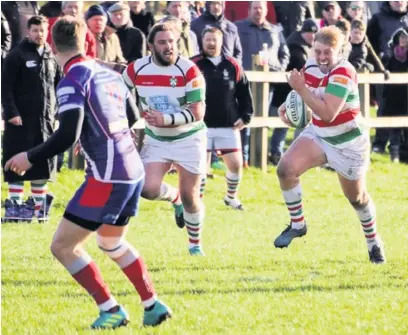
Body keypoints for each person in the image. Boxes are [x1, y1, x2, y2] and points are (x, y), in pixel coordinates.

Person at [4, 16, 172, 329]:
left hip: (107, 177)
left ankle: (110, 309)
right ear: (85, 42)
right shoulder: (106, 73)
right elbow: (132, 115)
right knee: (110, 242)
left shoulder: (72, 79)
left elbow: (67, 134)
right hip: (131, 169)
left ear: (53, 46)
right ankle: (152, 303)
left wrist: (30, 156)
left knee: (62, 246)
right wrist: (96, 134)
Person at [273, 26, 386, 264]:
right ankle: (298, 224)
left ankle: (373, 242)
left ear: (340, 50)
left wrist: (300, 89)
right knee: (286, 170)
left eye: (327, 53)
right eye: (318, 51)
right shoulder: (312, 64)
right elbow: (303, 96)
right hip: (319, 134)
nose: (322, 57)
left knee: (357, 199)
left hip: (348, 143)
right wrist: (288, 105)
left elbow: (327, 112)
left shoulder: (344, 72)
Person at [123, 22, 207, 256]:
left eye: (172, 41)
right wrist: (124, 125)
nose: (169, 46)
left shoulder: (189, 70)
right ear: (151, 46)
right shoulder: (136, 69)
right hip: (157, 139)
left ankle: (195, 245)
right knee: (147, 189)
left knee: (192, 199)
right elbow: (118, 96)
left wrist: (166, 119)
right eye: (162, 42)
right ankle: (174, 197)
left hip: (189, 138)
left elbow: (198, 112)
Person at [1, 15, 61, 223]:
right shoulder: (16, 55)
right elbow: (5, 88)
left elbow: (58, 87)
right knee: (16, 165)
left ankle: (39, 210)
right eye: (35, 30)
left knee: (41, 167)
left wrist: (59, 113)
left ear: (47, 31)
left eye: (42, 30)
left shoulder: (51, 57)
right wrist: (11, 113)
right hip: (20, 122)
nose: (39, 34)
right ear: (28, 31)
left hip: (45, 123)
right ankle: (14, 207)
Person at [192, 27, 254, 209]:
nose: (211, 43)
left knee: (236, 165)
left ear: (221, 42)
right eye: (207, 40)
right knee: (200, 168)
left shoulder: (233, 65)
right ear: (202, 42)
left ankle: (231, 197)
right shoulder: (194, 64)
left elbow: (244, 92)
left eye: (214, 40)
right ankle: (198, 201)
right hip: (200, 126)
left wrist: (246, 116)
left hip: (228, 125)